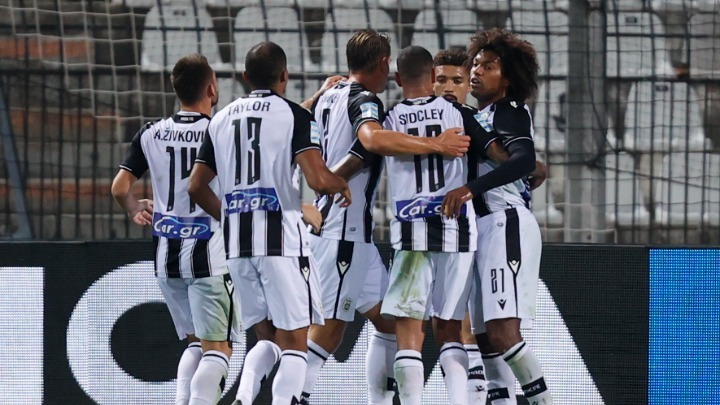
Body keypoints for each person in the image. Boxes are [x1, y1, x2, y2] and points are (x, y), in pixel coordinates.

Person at [300, 30, 470, 405]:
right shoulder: (366, 100)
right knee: (328, 332)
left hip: (356, 239)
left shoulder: (329, 94)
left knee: (391, 323)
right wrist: (437, 144)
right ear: (382, 64)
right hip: (340, 232)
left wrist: (318, 95)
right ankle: (292, 397)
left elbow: (299, 121)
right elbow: (373, 140)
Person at [188, 42, 351, 405]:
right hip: (281, 243)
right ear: (284, 75)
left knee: (267, 339)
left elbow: (196, 186)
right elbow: (318, 178)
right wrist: (338, 184)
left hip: (238, 245)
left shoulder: (220, 119)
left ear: (245, 76)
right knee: (295, 342)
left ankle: (245, 397)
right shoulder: (294, 116)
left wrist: (230, 217)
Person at [111, 53, 239, 405]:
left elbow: (120, 187)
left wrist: (135, 208)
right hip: (209, 257)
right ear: (211, 89)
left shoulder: (151, 132)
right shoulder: (219, 130)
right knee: (218, 348)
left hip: (166, 258)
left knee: (195, 343)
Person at [441, 28, 553, 405]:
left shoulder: (509, 110)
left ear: (508, 77)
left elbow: (523, 160)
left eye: (488, 66)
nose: (476, 71)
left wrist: (470, 189)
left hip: (505, 224)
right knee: (487, 339)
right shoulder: (479, 115)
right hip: (481, 230)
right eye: (475, 64)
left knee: (504, 333)